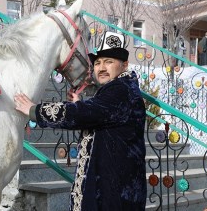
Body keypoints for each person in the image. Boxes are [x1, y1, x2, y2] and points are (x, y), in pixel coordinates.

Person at [14, 31, 147, 210]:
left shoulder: (121, 90)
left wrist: (34, 110)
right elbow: (99, 115)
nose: (101, 68)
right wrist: (80, 104)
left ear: (124, 65)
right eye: (98, 63)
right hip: (114, 187)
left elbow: (84, 114)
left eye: (109, 62)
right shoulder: (120, 89)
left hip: (113, 194)